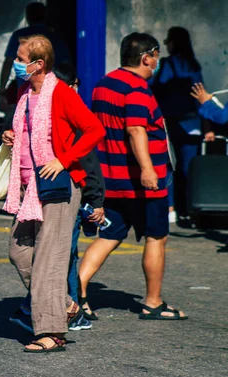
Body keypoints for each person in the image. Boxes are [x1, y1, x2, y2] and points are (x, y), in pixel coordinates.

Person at [1, 35, 105, 352]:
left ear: (38, 64)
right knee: (19, 250)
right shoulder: (24, 93)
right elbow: (28, 134)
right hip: (31, 187)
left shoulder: (60, 93)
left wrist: (64, 158)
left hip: (59, 185)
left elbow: (94, 129)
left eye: (21, 59)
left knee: (50, 261)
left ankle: (51, 332)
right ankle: (65, 304)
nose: (16, 64)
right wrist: (11, 136)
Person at [79, 32, 188, 321]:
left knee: (109, 235)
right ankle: (153, 302)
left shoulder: (103, 85)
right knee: (156, 237)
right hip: (143, 181)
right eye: (156, 57)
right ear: (145, 57)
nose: (157, 63)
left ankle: (77, 293)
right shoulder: (137, 89)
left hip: (111, 179)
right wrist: (149, 169)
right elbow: (136, 129)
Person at [150, 27, 214, 223]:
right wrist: (207, 126)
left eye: (169, 40)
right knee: (189, 169)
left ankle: (171, 207)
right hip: (192, 122)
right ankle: (191, 208)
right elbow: (199, 97)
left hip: (169, 123)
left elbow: (153, 88)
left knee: (168, 165)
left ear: (174, 42)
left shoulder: (166, 65)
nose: (167, 43)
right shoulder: (193, 65)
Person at [0, 2, 71, 114]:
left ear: (28, 16)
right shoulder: (55, 38)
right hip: (51, 95)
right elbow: (66, 68)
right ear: (45, 15)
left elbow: (8, 63)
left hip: (26, 95)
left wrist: (2, 91)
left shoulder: (19, 36)